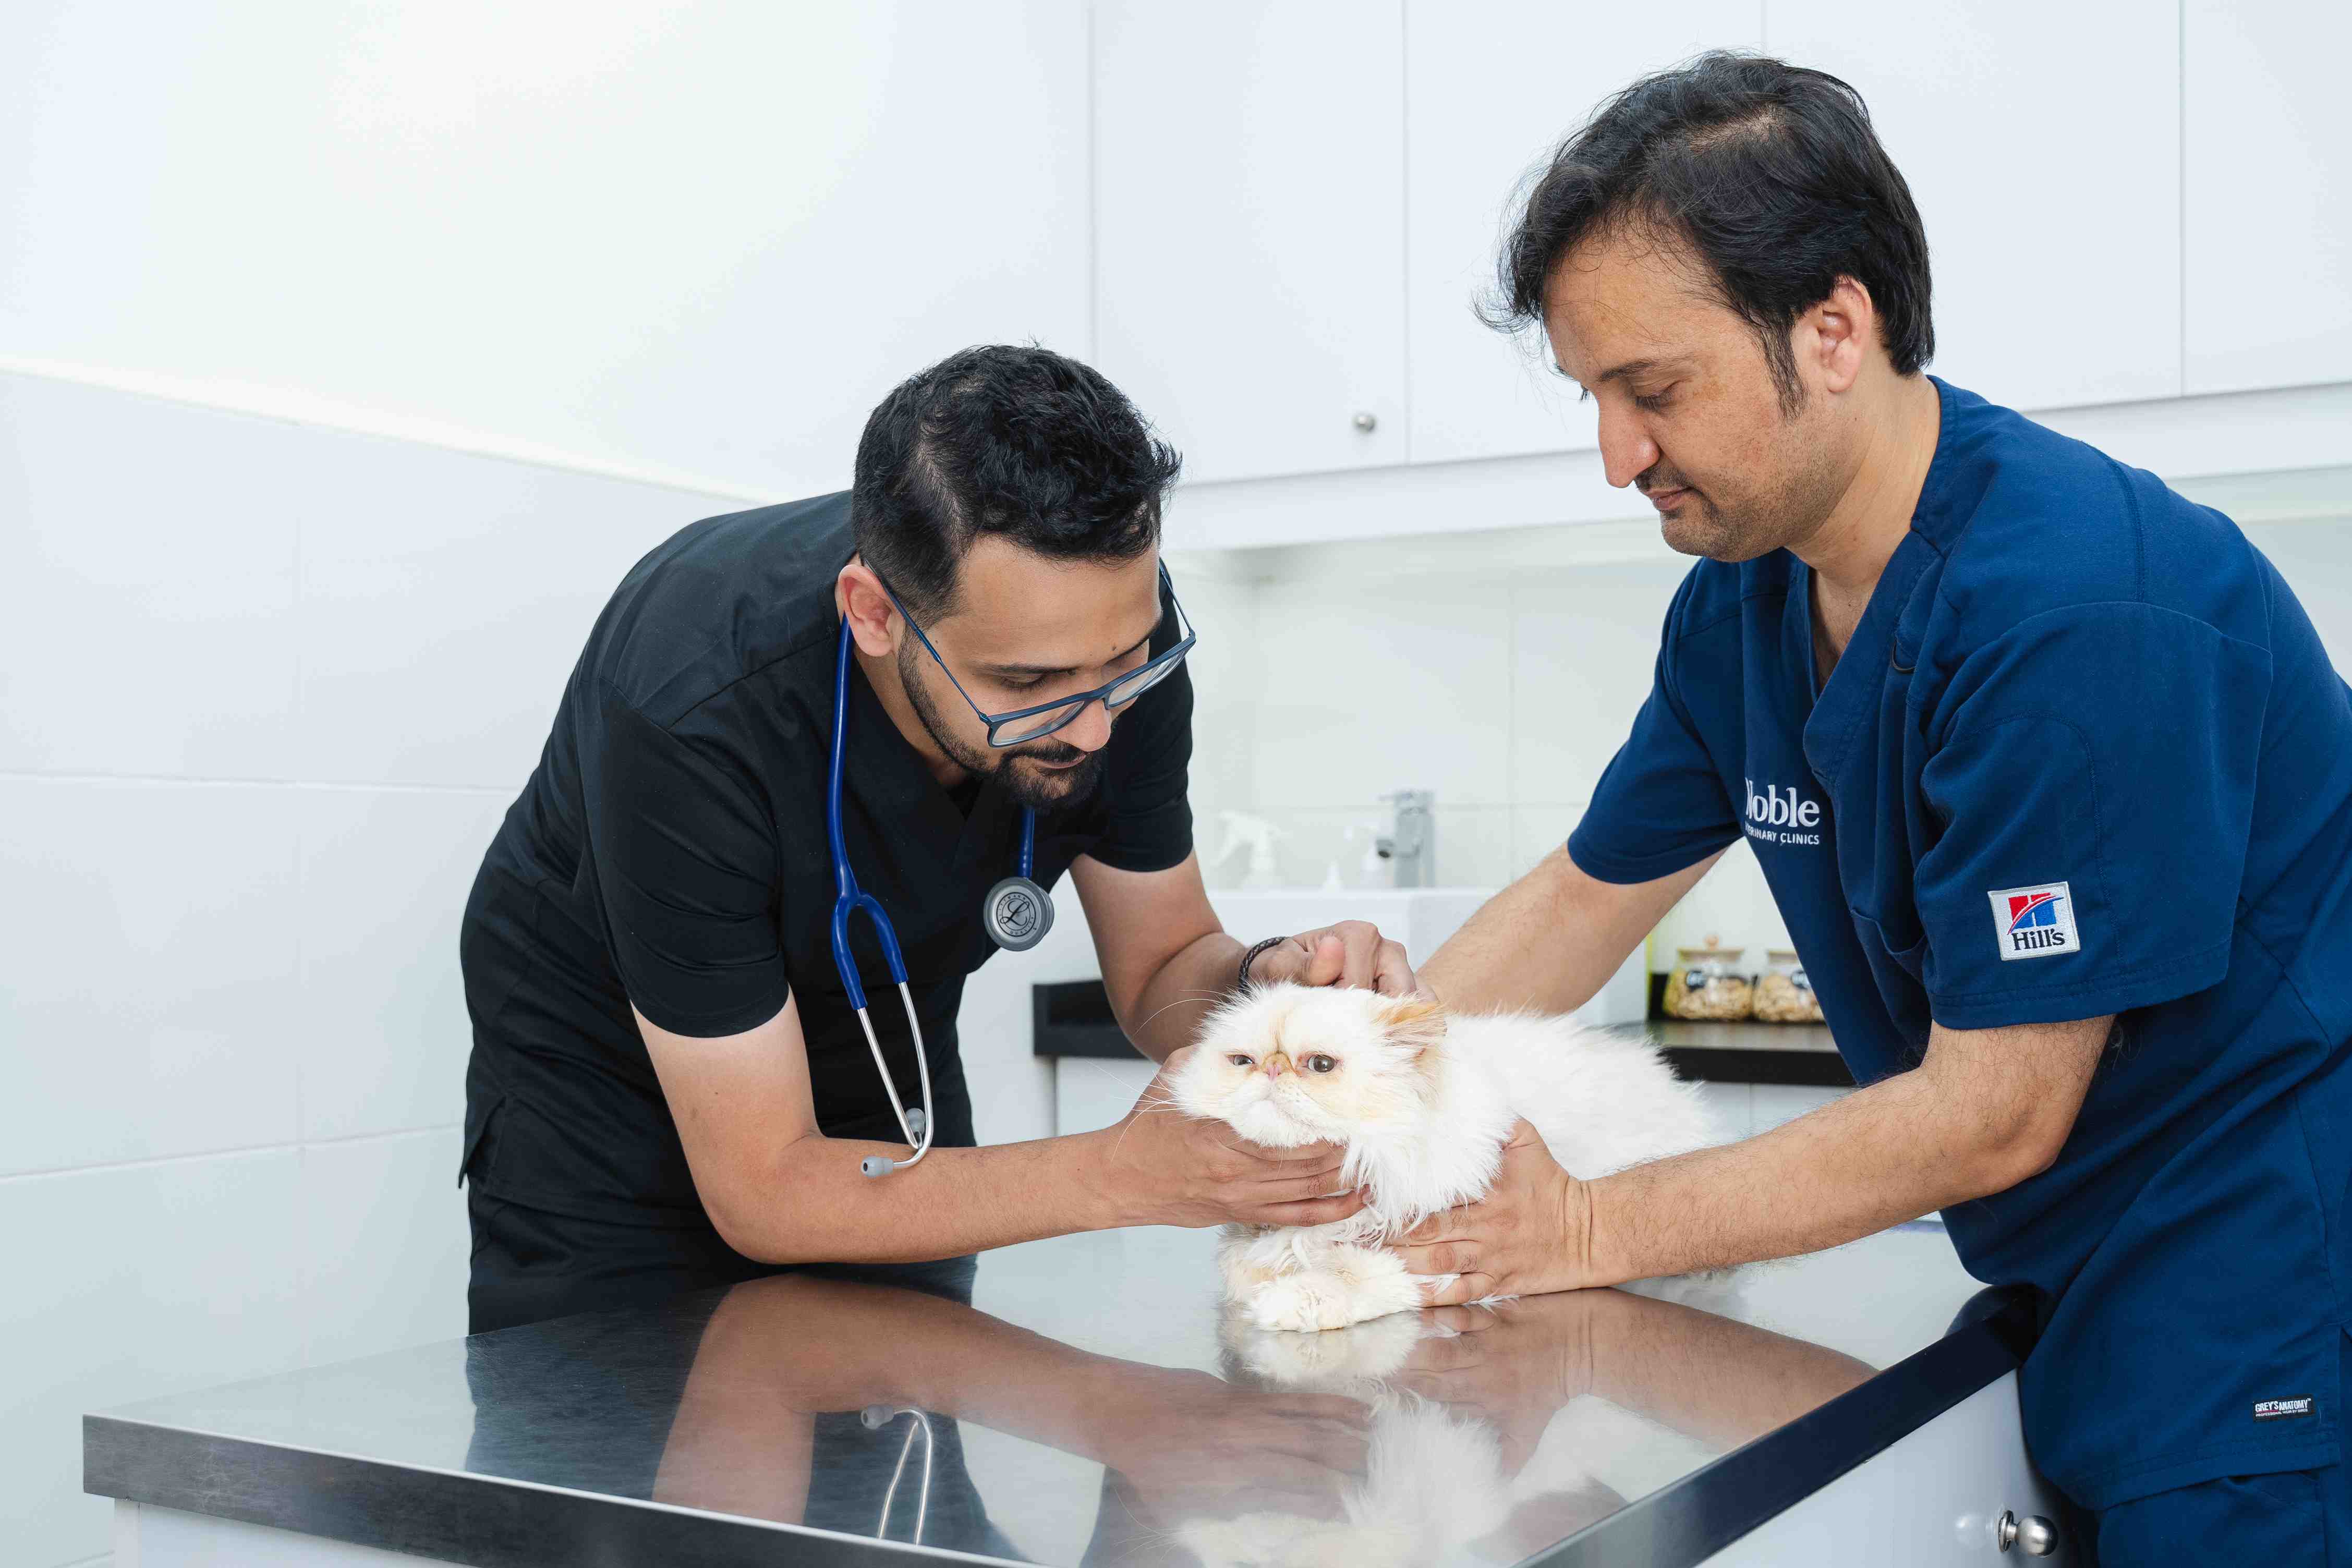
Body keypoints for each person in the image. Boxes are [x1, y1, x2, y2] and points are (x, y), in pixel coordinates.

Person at [1408, 53, 2352, 1560]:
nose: (1613, 457)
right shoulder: (1745, 595)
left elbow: (1991, 1113)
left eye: (1652, 391)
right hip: (2072, 1285)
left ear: (1831, 330)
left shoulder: (2071, 611)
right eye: (1594, 397)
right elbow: (1586, 893)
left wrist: (1579, 1229)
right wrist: (1356, 1081)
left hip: (2265, 1299)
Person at [458, 345, 1410, 1337]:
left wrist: (1276, 994)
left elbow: (1162, 966)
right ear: (873, 615)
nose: (1091, 728)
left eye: (1122, 667)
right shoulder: (690, 695)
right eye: (1028, 685)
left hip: (884, 1063)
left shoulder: (1108, 648)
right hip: (618, 1124)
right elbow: (765, 1188)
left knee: (907, 1455)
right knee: (644, 1465)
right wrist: (1116, 1176)